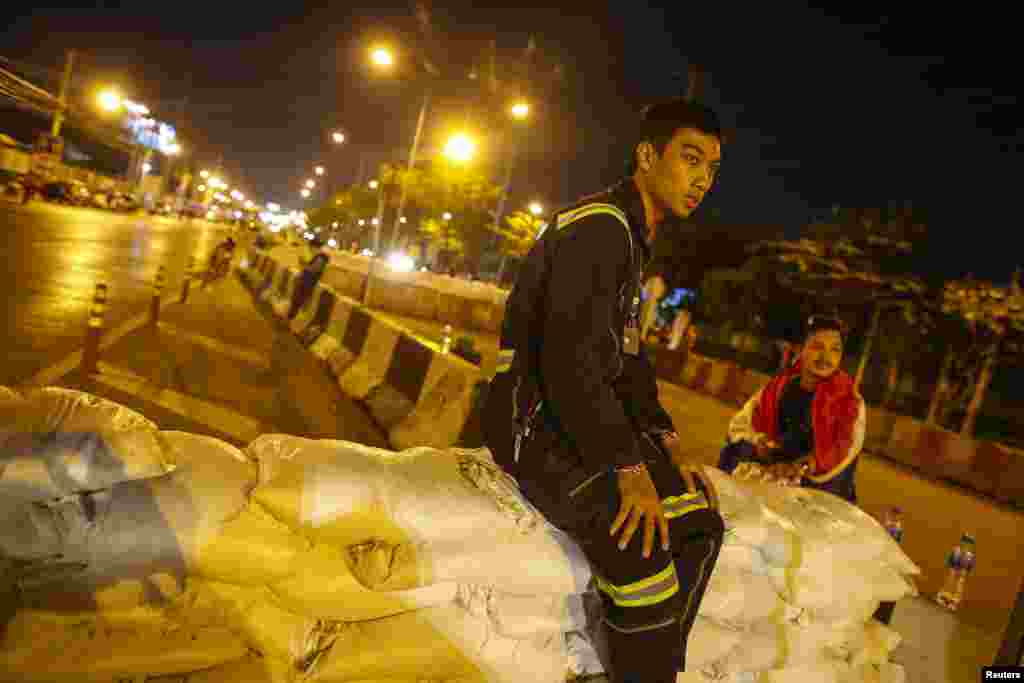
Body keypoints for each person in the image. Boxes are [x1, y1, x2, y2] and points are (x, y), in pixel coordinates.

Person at [482, 98, 725, 682]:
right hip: (536, 429)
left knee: (699, 524)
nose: (702, 179)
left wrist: (665, 443)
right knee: (644, 559)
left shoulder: (632, 240)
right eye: (690, 159)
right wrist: (628, 468)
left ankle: (646, 669)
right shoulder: (600, 228)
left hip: (576, 427)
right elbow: (571, 363)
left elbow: (630, 367)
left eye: (713, 169)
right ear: (647, 155)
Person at [717, 314, 866, 502]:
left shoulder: (850, 401)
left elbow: (845, 450)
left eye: (835, 350)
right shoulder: (776, 389)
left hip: (814, 498)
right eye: (817, 347)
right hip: (768, 482)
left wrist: (812, 464)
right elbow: (740, 426)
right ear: (800, 350)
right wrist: (758, 442)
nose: (826, 357)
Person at [288, 249, 329, 320]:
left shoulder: (319, 263)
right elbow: (308, 270)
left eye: (320, 263)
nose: (318, 264)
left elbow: (313, 270)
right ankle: (288, 319)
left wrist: (304, 267)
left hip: (305, 286)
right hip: (303, 284)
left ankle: (289, 320)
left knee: (296, 304)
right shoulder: (319, 261)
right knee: (294, 303)